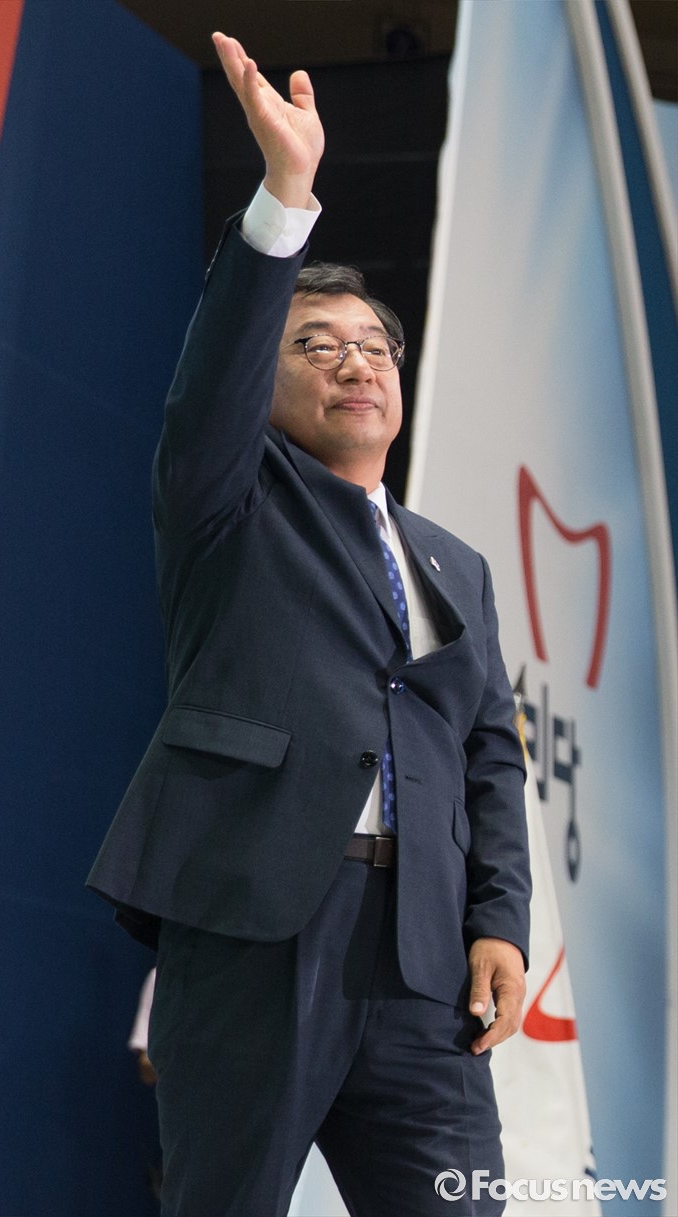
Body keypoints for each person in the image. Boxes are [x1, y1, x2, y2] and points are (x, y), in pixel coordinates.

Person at [88, 32, 531, 1217]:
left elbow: (489, 752)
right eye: (316, 345)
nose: (354, 363)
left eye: (374, 346)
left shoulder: (453, 562)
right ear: (266, 381)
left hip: (423, 959)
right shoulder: (226, 494)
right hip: (258, 926)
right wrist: (285, 195)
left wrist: (497, 921)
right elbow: (218, 371)